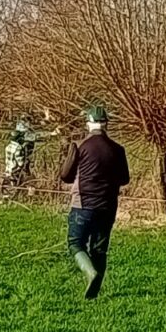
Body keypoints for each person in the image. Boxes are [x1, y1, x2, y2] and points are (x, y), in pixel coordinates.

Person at [57, 104, 131, 299]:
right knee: (99, 249)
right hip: (108, 205)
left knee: (75, 242)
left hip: (83, 204)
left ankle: (90, 273)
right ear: (106, 124)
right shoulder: (118, 149)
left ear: (88, 123)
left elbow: (65, 176)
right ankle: (94, 293)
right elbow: (125, 179)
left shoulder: (80, 146)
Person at [2, 120, 37, 196]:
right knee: (30, 180)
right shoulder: (19, 148)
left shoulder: (8, 147)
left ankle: (7, 196)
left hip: (8, 169)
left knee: (9, 186)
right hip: (16, 171)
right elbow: (20, 163)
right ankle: (29, 196)